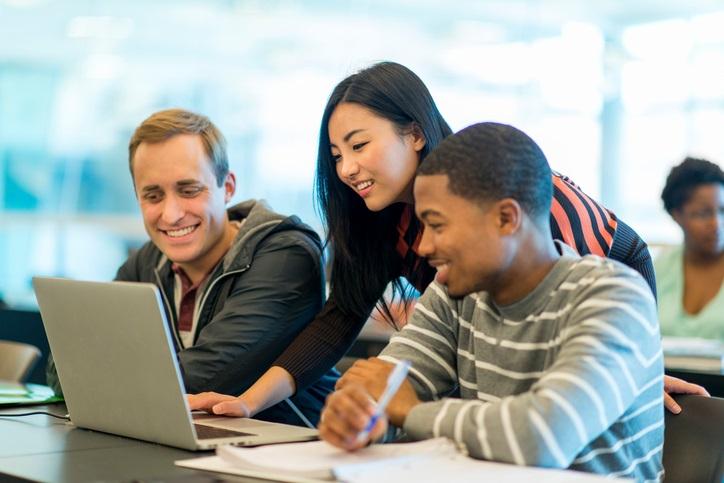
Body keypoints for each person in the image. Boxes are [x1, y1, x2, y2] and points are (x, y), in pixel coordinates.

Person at [189, 61, 705, 418]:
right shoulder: (383, 218)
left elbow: (592, 288)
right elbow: (341, 320)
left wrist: (627, 363)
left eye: (359, 145)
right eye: (336, 154)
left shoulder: (501, 194)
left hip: (607, 278)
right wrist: (249, 401)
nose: (345, 168)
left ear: (414, 134)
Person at [320, 122, 664, 481]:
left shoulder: (614, 296)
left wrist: (409, 411)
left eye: (437, 226)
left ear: (505, 219)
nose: (423, 247)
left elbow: (541, 437)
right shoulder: (455, 292)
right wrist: (363, 418)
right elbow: (387, 385)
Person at [47, 108, 337, 426]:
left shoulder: (284, 255)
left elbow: (207, 377)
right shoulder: (147, 262)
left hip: (290, 457)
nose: (171, 215)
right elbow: (63, 366)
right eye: (153, 195)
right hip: (181, 448)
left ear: (227, 187)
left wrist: (106, 376)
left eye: (188, 190)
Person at [655, 157, 724, 341]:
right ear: (677, 215)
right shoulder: (659, 268)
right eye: (703, 213)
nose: (716, 224)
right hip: (665, 370)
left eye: (723, 211)